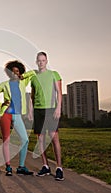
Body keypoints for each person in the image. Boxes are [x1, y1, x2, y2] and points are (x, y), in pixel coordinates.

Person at [0, 60, 35, 176]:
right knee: (6, 141)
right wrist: (0, 104)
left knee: (25, 139)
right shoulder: (5, 84)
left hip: (17, 115)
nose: (14, 74)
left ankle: (21, 167)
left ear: (20, 72)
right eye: (12, 72)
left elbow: (34, 72)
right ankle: (8, 167)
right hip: (6, 114)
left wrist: (23, 76)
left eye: (17, 71)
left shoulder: (23, 82)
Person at [30, 51, 64, 181]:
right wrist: (30, 110)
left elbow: (59, 93)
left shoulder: (54, 74)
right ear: (36, 61)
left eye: (43, 60)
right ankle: (45, 166)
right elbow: (32, 96)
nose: (41, 62)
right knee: (40, 139)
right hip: (38, 110)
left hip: (51, 110)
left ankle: (59, 168)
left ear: (46, 61)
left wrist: (58, 108)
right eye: (39, 60)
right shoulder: (33, 78)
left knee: (54, 138)